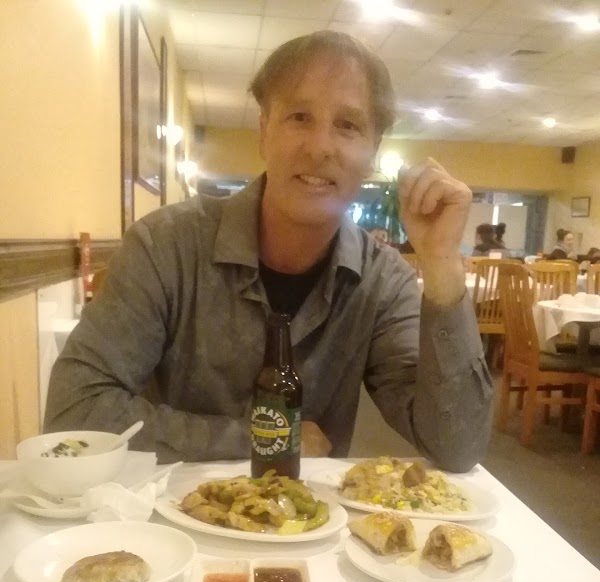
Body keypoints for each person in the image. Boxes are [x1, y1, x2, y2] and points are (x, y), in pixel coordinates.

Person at [44, 31, 493, 471]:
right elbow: (74, 413)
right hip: (169, 515)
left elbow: (457, 447)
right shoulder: (166, 246)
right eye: (299, 117)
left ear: (373, 152)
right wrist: (267, 437)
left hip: (310, 517)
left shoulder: (382, 282)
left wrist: (441, 264)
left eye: (347, 125)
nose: (320, 147)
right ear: (264, 132)